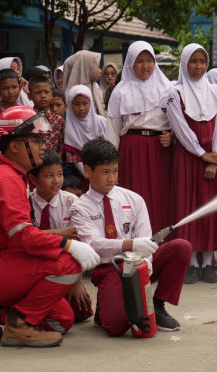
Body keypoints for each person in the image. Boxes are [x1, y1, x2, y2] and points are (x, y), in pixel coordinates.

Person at [0, 106, 100, 347]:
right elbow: (22, 236)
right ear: (14, 146)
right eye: (36, 140)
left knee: (62, 320)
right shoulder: (7, 179)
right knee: (68, 263)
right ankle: (18, 325)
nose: (43, 146)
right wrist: (67, 245)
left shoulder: (6, 174)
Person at [70, 139, 192, 336]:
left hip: (139, 263)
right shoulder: (79, 208)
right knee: (116, 328)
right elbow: (94, 245)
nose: (111, 178)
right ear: (87, 170)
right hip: (109, 267)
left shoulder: (134, 199)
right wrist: (132, 244)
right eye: (105, 172)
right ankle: (106, 305)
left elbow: (146, 240)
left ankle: (157, 305)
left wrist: (144, 271)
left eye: (115, 171)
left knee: (181, 247)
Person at [165, 43, 217, 284]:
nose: (198, 66)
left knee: (209, 206)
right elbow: (180, 129)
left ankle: (207, 263)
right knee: (189, 206)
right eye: (193, 61)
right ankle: (191, 262)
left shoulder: (215, 91)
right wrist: (200, 153)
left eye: (202, 61)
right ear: (185, 63)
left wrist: (214, 156)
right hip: (187, 157)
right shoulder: (175, 93)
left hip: (212, 158)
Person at [106, 41, 174, 232]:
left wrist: (172, 136)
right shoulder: (120, 91)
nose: (145, 66)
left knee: (161, 195)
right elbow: (113, 128)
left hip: (160, 148)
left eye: (149, 60)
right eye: (140, 61)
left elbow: (180, 122)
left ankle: (161, 245)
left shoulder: (167, 88)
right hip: (132, 148)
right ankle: (135, 246)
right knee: (134, 194)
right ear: (130, 63)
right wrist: (112, 162)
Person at [29, 150, 93, 328]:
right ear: (34, 180)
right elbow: (26, 238)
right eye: (49, 176)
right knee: (61, 317)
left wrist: (75, 282)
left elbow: (79, 243)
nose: (57, 181)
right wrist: (62, 232)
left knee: (82, 312)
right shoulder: (26, 201)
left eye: (59, 174)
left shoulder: (71, 201)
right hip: (34, 267)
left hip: (64, 266)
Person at [64, 85, 110, 183]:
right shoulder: (69, 127)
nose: (81, 108)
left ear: (91, 104)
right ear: (70, 105)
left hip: (104, 168)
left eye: (85, 103)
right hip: (83, 175)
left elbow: (109, 147)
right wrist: (89, 177)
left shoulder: (101, 122)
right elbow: (74, 157)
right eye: (76, 104)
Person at [28, 75, 65, 159]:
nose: (43, 95)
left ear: (51, 94)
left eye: (46, 92)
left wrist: (56, 161)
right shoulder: (27, 119)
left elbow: (62, 146)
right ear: (29, 96)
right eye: (38, 92)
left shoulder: (59, 121)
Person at [62, 50, 106, 116]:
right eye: (97, 67)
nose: (100, 71)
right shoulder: (70, 96)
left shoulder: (95, 88)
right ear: (85, 68)